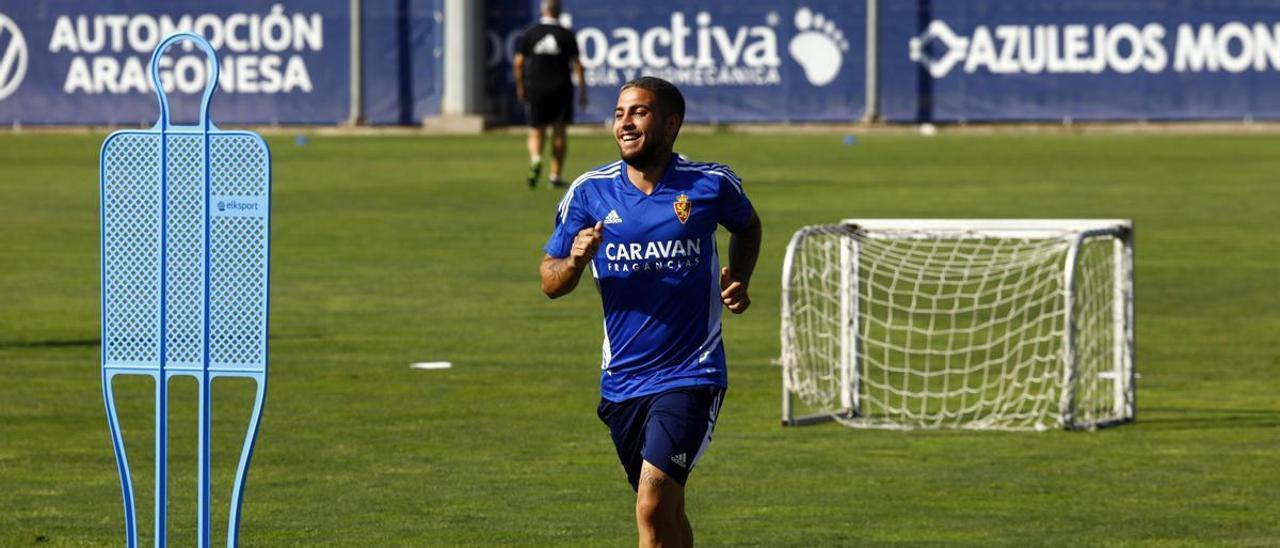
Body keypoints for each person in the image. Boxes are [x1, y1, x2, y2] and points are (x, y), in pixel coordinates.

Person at [538, 76, 762, 548]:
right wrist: (575, 261)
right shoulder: (588, 193)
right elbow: (549, 281)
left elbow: (747, 227)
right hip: (621, 383)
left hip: (691, 373)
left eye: (639, 112)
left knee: (652, 503)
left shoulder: (709, 184)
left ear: (671, 122)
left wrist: (739, 279)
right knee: (667, 513)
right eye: (619, 113)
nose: (625, 123)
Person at [514, 0, 587, 189]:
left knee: (536, 130)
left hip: (536, 88)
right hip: (561, 88)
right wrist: (582, 91)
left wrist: (521, 86)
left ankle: (536, 158)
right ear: (559, 12)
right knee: (559, 132)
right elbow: (577, 65)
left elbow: (518, 63)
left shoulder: (531, 32)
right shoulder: (566, 34)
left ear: (542, 10)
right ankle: (555, 175)